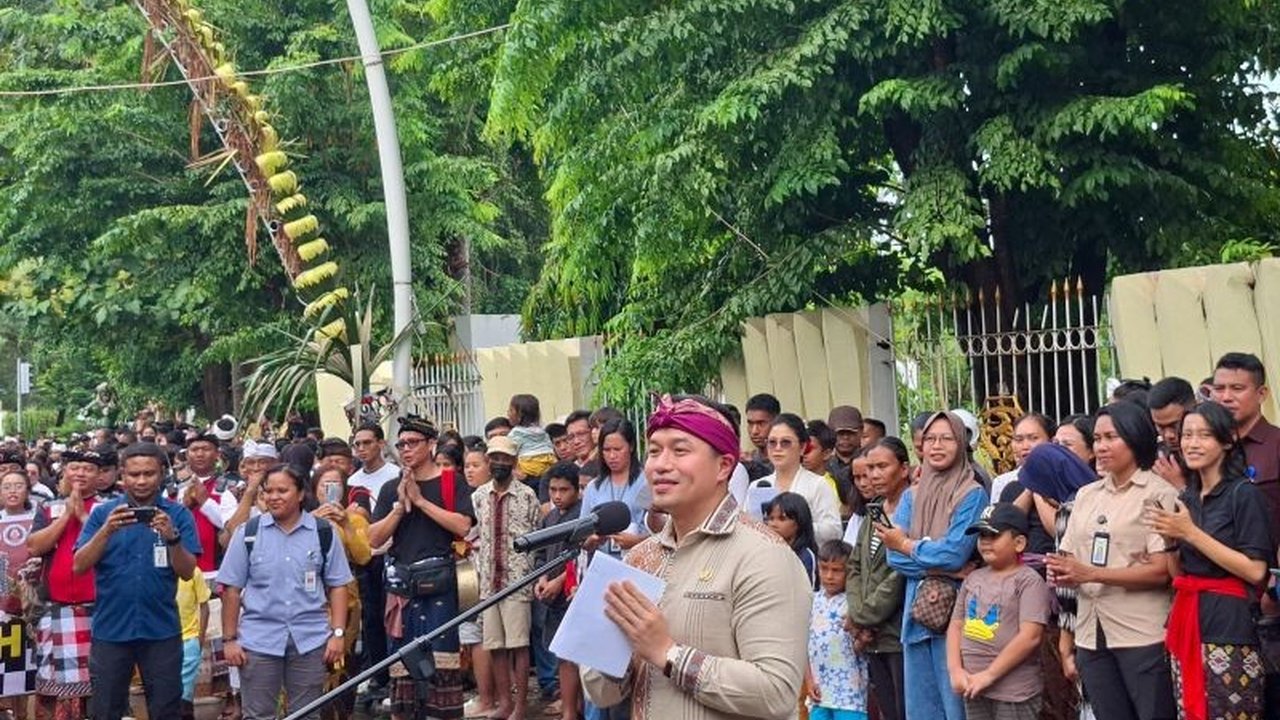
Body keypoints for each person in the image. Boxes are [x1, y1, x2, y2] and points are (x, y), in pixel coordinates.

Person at [581, 394, 811, 720]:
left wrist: (667, 653)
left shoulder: (765, 557)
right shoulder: (639, 558)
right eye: (655, 451)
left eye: (680, 450)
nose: (660, 464)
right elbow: (600, 694)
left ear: (724, 466)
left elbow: (775, 693)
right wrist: (606, 646)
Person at [1045, 402, 1177, 720]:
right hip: (1091, 630)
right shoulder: (1087, 495)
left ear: (1135, 438)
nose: (1101, 446)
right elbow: (1071, 557)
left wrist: (1091, 572)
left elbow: (1163, 571)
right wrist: (1062, 572)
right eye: (1097, 438)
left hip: (1142, 630)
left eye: (1111, 437)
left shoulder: (1158, 493)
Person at [1146, 401, 1273, 720]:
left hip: (1230, 626)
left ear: (1227, 441)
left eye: (1203, 435)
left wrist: (1190, 532)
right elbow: (1178, 572)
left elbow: (1256, 571)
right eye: (1186, 434)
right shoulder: (1186, 497)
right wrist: (1172, 541)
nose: (1191, 443)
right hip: (1187, 621)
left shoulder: (1243, 494)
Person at [72, 441, 201, 720]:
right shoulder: (103, 515)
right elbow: (79, 565)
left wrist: (172, 538)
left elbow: (187, 571)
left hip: (161, 631)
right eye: (134, 474)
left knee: (167, 710)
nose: (141, 481)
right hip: (111, 631)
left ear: (161, 474)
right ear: (122, 475)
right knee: (106, 710)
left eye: (149, 473)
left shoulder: (178, 515)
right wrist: (106, 531)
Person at [218, 464, 353, 720]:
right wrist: (229, 639)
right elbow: (231, 590)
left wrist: (337, 633)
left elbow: (338, 585)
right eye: (268, 491)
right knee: (258, 715)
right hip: (258, 642)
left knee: (307, 715)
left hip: (311, 641)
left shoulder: (323, 532)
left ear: (301, 493)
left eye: (282, 490)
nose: (273, 497)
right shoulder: (248, 533)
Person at [878, 411, 988, 720]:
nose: (937, 446)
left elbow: (955, 551)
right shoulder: (912, 496)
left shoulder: (972, 493)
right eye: (930, 439)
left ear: (962, 443)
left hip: (955, 613)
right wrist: (943, 567)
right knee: (921, 710)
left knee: (956, 707)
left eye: (947, 438)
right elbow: (892, 556)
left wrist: (909, 544)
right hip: (917, 613)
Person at [367, 416, 475, 720]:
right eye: (401, 444)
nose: (406, 450)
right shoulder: (391, 488)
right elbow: (374, 538)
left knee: (442, 665)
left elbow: (463, 526)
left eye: (413, 443)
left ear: (430, 445)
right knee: (402, 667)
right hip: (402, 586)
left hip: (439, 585)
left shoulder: (452, 482)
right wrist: (401, 506)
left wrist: (421, 501)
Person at [1008, 443, 1094, 720]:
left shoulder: (1069, 511)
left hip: (1086, 626)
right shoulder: (1099, 499)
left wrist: (1065, 642)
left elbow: (1067, 584)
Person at [946, 503, 1052, 720]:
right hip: (974, 686)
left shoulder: (1028, 581)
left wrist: (989, 675)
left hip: (1014, 692)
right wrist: (955, 670)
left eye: (993, 535)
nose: (985, 542)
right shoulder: (974, 578)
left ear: (1019, 543)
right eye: (982, 535)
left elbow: (1030, 637)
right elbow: (956, 625)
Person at [27, 449, 104, 720]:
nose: (81, 473)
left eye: (88, 468)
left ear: (101, 475)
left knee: (100, 686)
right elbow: (35, 546)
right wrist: (66, 516)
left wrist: (84, 518)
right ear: (65, 472)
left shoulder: (110, 507)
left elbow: (115, 549)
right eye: (75, 467)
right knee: (52, 687)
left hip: (100, 609)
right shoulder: (48, 508)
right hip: (56, 609)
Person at [472, 436, 542, 720]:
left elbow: (537, 533)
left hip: (517, 580)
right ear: (488, 460)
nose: (499, 463)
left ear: (514, 463)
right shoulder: (478, 496)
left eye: (505, 458)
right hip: (489, 582)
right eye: (495, 458)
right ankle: (503, 703)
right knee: (495, 646)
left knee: (519, 645)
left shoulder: (527, 496)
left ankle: (521, 705)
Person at [847, 438, 908, 720]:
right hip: (872, 634)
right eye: (870, 467)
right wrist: (859, 613)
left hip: (897, 632)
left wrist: (863, 616)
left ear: (904, 468)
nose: (873, 475)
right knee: (885, 708)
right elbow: (856, 565)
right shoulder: (875, 511)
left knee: (905, 709)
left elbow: (899, 573)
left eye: (882, 466)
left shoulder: (912, 510)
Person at [312, 466, 372, 720]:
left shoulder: (355, 519)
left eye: (336, 485)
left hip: (346, 601)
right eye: (325, 485)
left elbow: (364, 555)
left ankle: (342, 712)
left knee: (345, 660)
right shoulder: (305, 519)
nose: (330, 491)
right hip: (313, 599)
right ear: (314, 490)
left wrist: (345, 522)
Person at [534, 462, 584, 720]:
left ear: (577, 490)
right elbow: (541, 553)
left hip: (574, 594)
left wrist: (559, 582)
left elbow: (581, 558)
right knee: (562, 654)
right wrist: (542, 578)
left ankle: (575, 709)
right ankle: (568, 708)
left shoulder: (581, 516)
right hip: (552, 597)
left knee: (576, 655)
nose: (557, 496)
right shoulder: (550, 518)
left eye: (564, 490)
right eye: (553, 489)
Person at [751, 414, 843, 545]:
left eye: (785, 443)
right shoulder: (757, 486)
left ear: (802, 447)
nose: (777, 448)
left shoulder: (818, 484)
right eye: (772, 442)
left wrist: (796, 527)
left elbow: (834, 531)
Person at [1210, 353, 1280, 522]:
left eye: (1237, 388)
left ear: (1262, 394)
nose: (1226, 398)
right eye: (1219, 389)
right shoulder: (1208, 446)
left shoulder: (1276, 444)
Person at [806, 540, 869, 720]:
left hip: (849, 694)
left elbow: (858, 649)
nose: (829, 576)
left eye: (837, 570)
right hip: (819, 692)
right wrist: (809, 681)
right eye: (824, 569)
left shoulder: (854, 603)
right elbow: (805, 645)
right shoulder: (812, 601)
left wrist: (862, 640)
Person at [582, 419, 650, 558]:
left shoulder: (646, 483)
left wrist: (637, 541)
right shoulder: (594, 488)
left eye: (617, 449)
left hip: (638, 562)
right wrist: (592, 540)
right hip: (603, 564)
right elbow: (583, 539)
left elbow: (658, 531)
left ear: (631, 447)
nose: (612, 456)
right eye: (606, 450)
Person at [0, 469, 35, 720]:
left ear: (27, 490)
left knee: (23, 667)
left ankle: (23, 714)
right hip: (2, 604)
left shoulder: (39, 519)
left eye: (18, 486)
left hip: (32, 604)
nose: (12, 491)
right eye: (7, 486)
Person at [179, 432, 229, 572]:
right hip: (179, 571)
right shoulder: (173, 490)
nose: (200, 454)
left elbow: (232, 527)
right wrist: (184, 507)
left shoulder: (229, 488)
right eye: (194, 450)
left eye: (206, 449)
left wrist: (205, 502)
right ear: (187, 455)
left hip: (215, 570)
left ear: (217, 454)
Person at [990, 413, 1055, 503]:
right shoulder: (1002, 482)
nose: (1025, 446)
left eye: (1033, 438)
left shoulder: (1062, 478)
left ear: (1051, 441)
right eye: (1019, 439)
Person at [175, 566, 212, 720]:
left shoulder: (193, 572)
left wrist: (199, 639)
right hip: (161, 644)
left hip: (188, 642)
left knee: (184, 698)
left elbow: (205, 606)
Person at [1148, 377, 1196, 488]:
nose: (1168, 435)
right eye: (1160, 427)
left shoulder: (1215, 456)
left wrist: (1180, 487)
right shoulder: (1156, 460)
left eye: (1175, 425)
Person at [764, 492, 819, 588]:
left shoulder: (805, 556)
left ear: (799, 522)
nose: (773, 524)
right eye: (771, 518)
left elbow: (806, 592)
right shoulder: (765, 552)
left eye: (782, 519)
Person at [507, 394, 558, 485]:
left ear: (520, 414)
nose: (508, 413)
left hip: (528, 467)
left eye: (511, 410)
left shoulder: (516, 433)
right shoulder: (542, 431)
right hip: (548, 466)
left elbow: (509, 452)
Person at [743, 393, 781, 480]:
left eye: (761, 423)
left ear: (777, 421)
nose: (754, 431)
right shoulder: (746, 463)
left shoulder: (789, 463)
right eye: (750, 423)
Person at [828, 405, 865, 472]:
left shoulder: (871, 464)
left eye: (851, 433)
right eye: (840, 433)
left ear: (861, 431)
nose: (845, 437)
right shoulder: (821, 467)